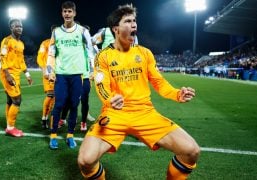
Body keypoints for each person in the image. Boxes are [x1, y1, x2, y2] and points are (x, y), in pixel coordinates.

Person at [78, 4, 200, 180]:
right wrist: (110, 99)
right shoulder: (103, 56)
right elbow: (101, 84)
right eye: (128, 21)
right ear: (116, 29)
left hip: (145, 113)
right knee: (85, 160)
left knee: (191, 151)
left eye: (134, 21)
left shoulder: (145, 53)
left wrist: (176, 93)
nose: (134, 24)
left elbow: (159, 82)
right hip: (115, 114)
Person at [46, 1, 94, 149]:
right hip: (61, 75)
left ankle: (70, 136)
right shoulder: (56, 32)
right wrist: (50, 71)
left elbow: (91, 52)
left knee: (74, 105)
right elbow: (51, 53)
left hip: (77, 75)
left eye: (70, 11)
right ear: (62, 13)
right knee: (59, 104)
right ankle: (53, 136)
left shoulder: (82, 31)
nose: (67, 14)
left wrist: (92, 70)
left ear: (74, 13)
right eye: (65, 11)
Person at [0, 18, 33, 137]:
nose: (19, 28)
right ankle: (10, 127)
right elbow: (2, 57)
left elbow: (21, 60)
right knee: (17, 100)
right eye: (16, 26)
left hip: (17, 74)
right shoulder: (7, 41)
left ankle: (8, 124)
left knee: (10, 100)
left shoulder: (21, 44)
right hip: (8, 73)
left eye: (21, 26)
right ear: (11, 28)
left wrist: (27, 74)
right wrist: (7, 74)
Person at [36, 25, 57, 129]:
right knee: (50, 95)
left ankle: (55, 118)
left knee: (57, 98)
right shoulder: (45, 43)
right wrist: (44, 69)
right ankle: (44, 118)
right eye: (54, 31)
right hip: (49, 73)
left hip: (60, 73)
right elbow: (40, 58)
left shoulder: (62, 43)